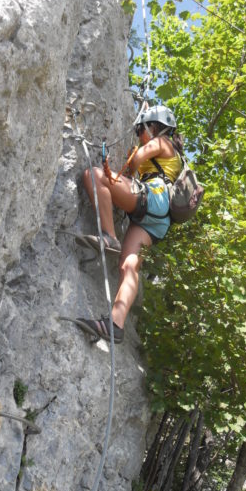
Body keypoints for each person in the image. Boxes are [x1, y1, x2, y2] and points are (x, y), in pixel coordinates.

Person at [74, 105, 183, 343]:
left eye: (141, 130)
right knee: (129, 267)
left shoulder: (163, 143)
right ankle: (115, 324)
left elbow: (135, 164)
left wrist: (138, 147)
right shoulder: (172, 154)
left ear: (153, 127)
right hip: (158, 221)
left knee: (94, 175)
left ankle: (109, 236)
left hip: (153, 198)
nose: (139, 134)